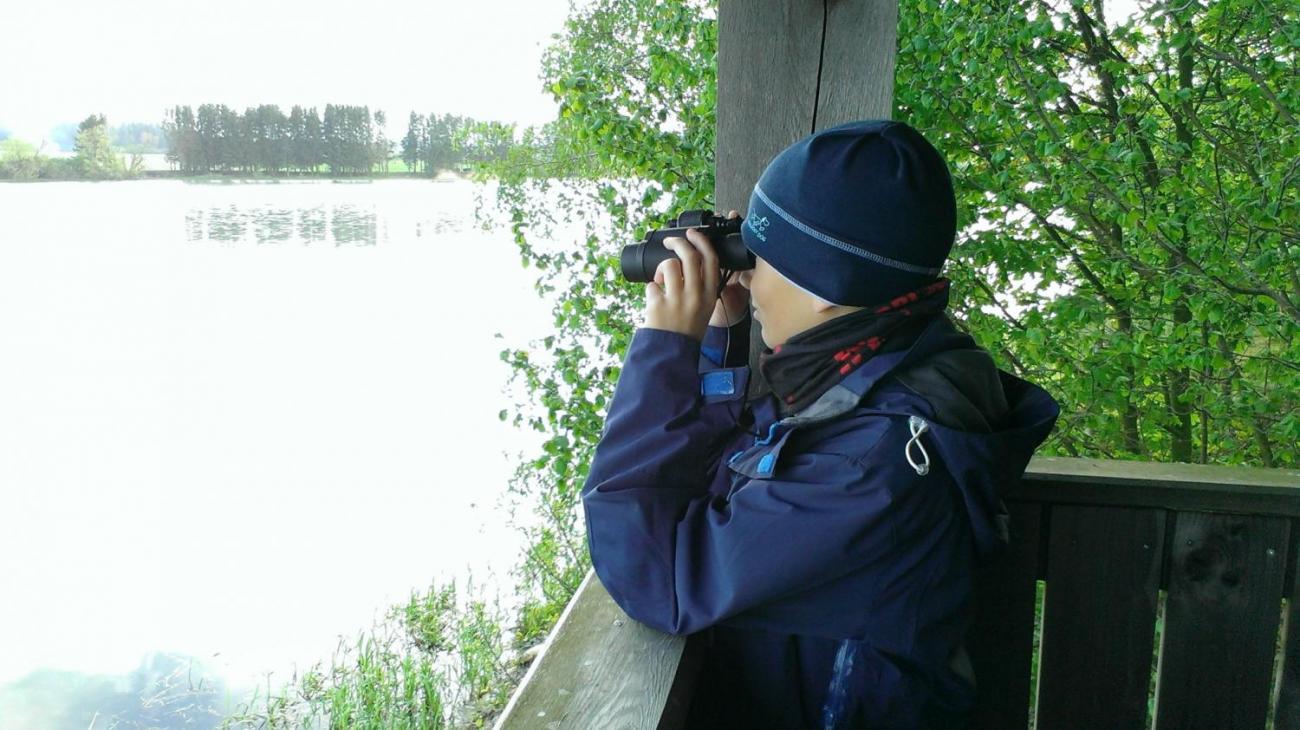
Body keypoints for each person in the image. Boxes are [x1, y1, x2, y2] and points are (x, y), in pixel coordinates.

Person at [580, 119, 1060, 728]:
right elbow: (722, 480)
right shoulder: (875, 372)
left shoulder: (874, 459)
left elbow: (652, 574)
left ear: (826, 286)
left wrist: (663, 348)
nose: (746, 275)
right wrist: (720, 339)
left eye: (760, 256)